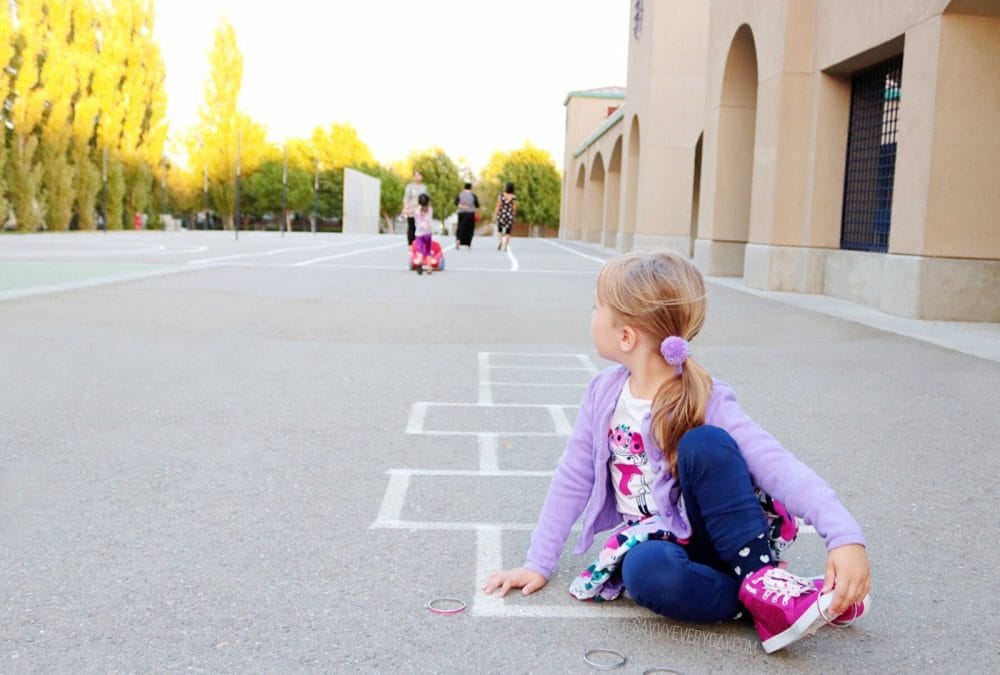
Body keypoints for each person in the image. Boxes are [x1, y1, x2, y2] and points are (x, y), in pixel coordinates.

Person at [482, 251, 871, 654]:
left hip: (723, 538)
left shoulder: (705, 396)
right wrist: (537, 563)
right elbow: (573, 478)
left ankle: (763, 580)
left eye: (597, 307)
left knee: (705, 444)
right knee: (644, 573)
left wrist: (843, 536)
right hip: (662, 546)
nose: (591, 314)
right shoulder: (603, 394)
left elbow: (778, 466)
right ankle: (784, 601)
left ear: (626, 336)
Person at [401, 171, 428, 248]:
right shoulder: (409, 186)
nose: (418, 176)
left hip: (420, 210)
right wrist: (405, 209)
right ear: (413, 177)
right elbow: (406, 199)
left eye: (419, 175)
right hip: (411, 210)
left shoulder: (424, 187)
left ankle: (418, 243)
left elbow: (426, 199)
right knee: (412, 226)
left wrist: (425, 209)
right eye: (416, 175)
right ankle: (410, 244)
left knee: (420, 227)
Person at [412, 193, 435, 275]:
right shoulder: (430, 209)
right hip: (428, 233)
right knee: (428, 251)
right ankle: (429, 268)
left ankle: (419, 262)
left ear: (419, 201)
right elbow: (429, 221)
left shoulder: (416, 209)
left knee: (420, 250)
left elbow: (416, 222)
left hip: (419, 234)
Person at [454, 182, 479, 250]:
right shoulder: (473, 195)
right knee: (470, 229)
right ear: (471, 188)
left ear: (464, 187)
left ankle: (458, 241)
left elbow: (456, 202)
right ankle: (469, 244)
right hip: (470, 214)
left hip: (461, 213)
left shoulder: (460, 194)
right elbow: (477, 205)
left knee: (460, 227)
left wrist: (462, 206)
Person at [493, 182, 516, 251]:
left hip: (502, 215)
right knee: (508, 231)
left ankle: (500, 241)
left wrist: (495, 214)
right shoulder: (513, 197)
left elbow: (498, 206)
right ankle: (506, 246)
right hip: (509, 216)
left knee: (499, 230)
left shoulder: (501, 196)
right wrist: (513, 216)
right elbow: (514, 208)